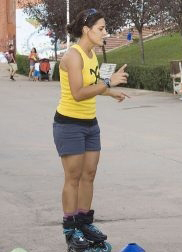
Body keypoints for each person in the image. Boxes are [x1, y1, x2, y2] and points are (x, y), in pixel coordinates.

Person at [54, 8, 129, 252]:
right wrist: (108, 83)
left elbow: (93, 85)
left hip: (90, 123)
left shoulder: (91, 55)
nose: (105, 33)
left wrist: (110, 92)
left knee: (89, 175)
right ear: (86, 30)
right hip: (69, 124)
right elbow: (78, 93)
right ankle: (70, 229)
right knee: (73, 178)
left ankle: (84, 223)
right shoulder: (73, 56)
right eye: (101, 28)